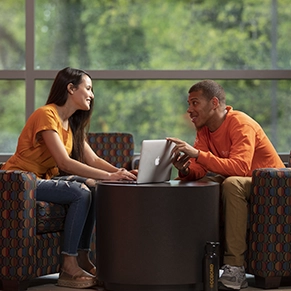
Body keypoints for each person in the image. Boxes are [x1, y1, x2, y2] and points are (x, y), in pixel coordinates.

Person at [2, 67, 136, 289]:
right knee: (79, 192)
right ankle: (68, 264)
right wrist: (111, 175)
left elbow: (92, 160)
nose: (92, 95)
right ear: (71, 88)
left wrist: (122, 173)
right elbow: (64, 162)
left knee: (93, 188)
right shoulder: (46, 114)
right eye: (88, 88)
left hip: (40, 182)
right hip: (19, 183)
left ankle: (83, 257)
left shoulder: (72, 124)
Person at [167, 80, 284, 290]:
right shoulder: (204, 130)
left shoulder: (240, 123)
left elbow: (240, 168)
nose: (189, 110)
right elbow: (200, 169)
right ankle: (190, 259)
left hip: (272, 186)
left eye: (195, 103)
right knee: (203, 185)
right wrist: (185, 169)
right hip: (244, 181)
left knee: (231, 184)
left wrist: (198, 155)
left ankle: (235, 266)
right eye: (189, 103)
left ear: (214, 103)